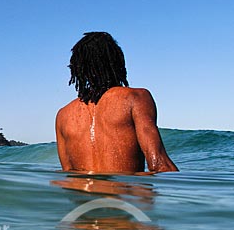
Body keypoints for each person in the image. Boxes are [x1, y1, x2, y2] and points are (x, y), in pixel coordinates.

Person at [55, 32, 178, 173]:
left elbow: (67, 173)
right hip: (123, 193)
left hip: (81, 194)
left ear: (78, 69)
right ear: (116, 62)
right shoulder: (136, 97)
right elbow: (159, 164)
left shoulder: (62, 115)